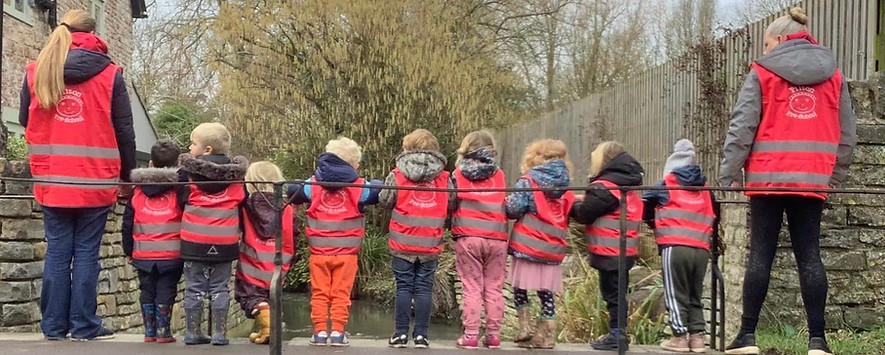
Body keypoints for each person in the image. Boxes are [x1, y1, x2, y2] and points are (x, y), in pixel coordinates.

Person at [718, 7, 856, 355]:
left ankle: (747, 336)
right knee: (810, 255)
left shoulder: (762, 72)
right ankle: (818, 340)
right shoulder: (834, 77)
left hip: (766, 179)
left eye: (766, 44)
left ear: (780, 39)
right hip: (813, 180)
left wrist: (729, 173)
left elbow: (742, 126)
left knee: (760, 254)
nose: (765, 51)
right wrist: (835, 177)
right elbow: (847, 134)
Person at [19, 9, 136, 341]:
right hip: (95, 180)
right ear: (94, 34)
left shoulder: (36, 71)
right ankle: (84, 325)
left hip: (52, 179)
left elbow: (26, 121)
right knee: (86, 252)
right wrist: (127, 178)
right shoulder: (110, 75)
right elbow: (125, 132)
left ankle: (54, 326)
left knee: (57, 251)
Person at [288, 137, 381, 347]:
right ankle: (338, 332)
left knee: (319, 293)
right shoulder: (359, 187)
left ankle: (320, 332)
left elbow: (293, 190)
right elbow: (377, 191)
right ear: (354, 165)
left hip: (319, 252)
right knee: (341, 294)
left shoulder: (312, 184)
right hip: (347, 253)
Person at [642, 139, 718, 354]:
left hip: (674, 246)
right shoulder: (706, 189)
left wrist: (654, 223)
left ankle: (679, 337)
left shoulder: (664, 185)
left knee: (675, 293)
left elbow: (643, 206)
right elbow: (716, 213)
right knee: (695, 293)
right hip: (701, 247)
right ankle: (698, 338)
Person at [378, 129, 451, 349]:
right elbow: (453, 202)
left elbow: (385, 200)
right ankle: (421, 336)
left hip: (403, 242)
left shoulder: (397, 174)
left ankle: (400, 335)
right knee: (424, 289)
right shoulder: (444, 178)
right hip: (430, 243)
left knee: (403, 288)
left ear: (408, 148)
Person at [179, 122, 249, 346]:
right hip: (225, 241)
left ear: (206, 149)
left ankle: (192, 332)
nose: (189, 147)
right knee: (220, 287)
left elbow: (180, 201)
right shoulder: (237, 177)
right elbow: (243, 201)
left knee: (194, 287)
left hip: (194, 240)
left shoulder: (187, 175)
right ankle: (220, 334)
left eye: (193, 144)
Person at [569, 141, 643, 352]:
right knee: (618, 294)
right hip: (624, 250)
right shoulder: (626, 185)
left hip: (609, 252)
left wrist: (569, 202)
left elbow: (585, 214)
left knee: (613, 296)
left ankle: (617, 336)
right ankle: (618, 334)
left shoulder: (605, 187)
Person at [505, 139, 575, 350]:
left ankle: (524, 328)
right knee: (546, 293)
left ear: (534, 157)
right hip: (552, 247)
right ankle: (547, 337)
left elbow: (513, 209)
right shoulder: (566, 186)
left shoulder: (528, 181)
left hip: (528, 245)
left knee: (520, 288)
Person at [122, 140, 185, 344]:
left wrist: (128, 250)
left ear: (150, 164)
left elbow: (127, 223)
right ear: (177, 164)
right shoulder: (179, 189)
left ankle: (149, 331)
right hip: (172, 254)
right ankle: (163, 332)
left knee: (147, 290)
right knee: (166, 289)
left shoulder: (137, 191)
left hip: (143, 253)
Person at [450, 130, 508, 350]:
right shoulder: (499, 174)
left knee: (471, 287)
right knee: (494, 287)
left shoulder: (458, 174)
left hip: (468, 236)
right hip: (496, 236)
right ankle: (493, 335)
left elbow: (451, 202)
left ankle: (471, 335)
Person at [235, 162, 299, 345]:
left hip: (251, 267)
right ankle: (268, 330)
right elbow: (294, 233)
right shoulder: (286, 207)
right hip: (278, 265)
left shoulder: (246, 206)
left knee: (250, 298)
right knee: (271, 299)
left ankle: (268, 325)